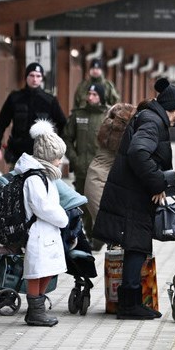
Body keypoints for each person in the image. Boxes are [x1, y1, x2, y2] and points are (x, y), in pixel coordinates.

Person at [93, 78, 175, 320]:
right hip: (132, 193)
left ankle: (132, 302)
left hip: (132, 190)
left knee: (138, 245)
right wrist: (157, 182)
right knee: (136, 245)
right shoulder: (152, 121)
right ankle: (129, 305)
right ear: (169, 108)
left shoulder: (150, 117)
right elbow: (138, 151)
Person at [15, 120, 69, 327]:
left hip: (47, 231)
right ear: (48, 157)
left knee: (49, 269)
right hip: (38, 231)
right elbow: (42, 207)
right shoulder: (34, 178)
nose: (60, 161)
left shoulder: (45, 176)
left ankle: (36, 309)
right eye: (58, 157)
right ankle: (35, 311)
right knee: (37, 271)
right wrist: (63, 218)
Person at [0, 63, 67, 166]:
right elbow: (1, 123)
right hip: (18, 154)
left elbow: (62, 124)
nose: (34, 79)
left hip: (43, 156)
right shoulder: (15, 98)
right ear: (26, 77)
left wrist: (57, 148)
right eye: (31, 75)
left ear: (42, 78)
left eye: (38, 76)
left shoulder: (49, 100)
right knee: (17, 181)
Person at [63, 83, 109, 240]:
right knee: (83, 202)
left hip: (101, 170)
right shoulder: (78, 115)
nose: (90, 97)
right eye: (89, 94)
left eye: (95, 94)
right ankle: (88, 236)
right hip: (81, 168)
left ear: (101, 97)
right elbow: (67, 139)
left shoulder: (108, 115)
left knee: (98, 202)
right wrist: (74, 159)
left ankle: (97, 237)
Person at [83, 102, 136, 226]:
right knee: (108, 226)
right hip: (99, 181)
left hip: (102, 182)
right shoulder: (111, 153)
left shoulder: (118, 156)